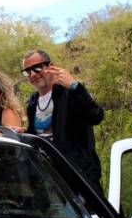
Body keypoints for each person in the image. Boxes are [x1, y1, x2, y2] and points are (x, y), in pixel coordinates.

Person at [22, 49, 105, 192]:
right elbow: (37, 137)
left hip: (79, 179)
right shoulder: (33, 102)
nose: (33, 74)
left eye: (37, 68)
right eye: (27, 71)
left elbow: (96, 116)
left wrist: (75, 86)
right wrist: (22, 133)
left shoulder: (70, 93)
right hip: (49, 181)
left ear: (51, 66)